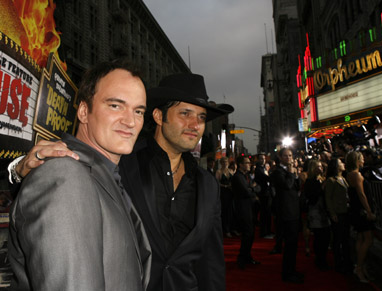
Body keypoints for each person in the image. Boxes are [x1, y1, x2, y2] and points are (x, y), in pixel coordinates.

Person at [12, 73, 233, 291]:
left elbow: (210, 260)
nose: (195, 124)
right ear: (158, 116)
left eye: (202, 118)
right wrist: (20, 168)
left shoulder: (208, 184)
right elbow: (64, 176)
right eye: (185, 113)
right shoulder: (120, 158)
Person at [7, 60, 152, 290]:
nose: (131, 121)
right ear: (84, 111)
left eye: (138, 111)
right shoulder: (64, 174)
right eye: (116, 105)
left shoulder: (107, 175)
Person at [270, 148, 304, 283]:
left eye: (290, 155)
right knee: (289, 244)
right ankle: (287, 273)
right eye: (285, 156)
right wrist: (291, 173)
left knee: (294, 244)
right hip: (286, 212)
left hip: (294, 210)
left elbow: (296, 186)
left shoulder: (290, 171)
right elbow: (287, 186)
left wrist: (295, 175)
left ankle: (292, 270)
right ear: (280, 157)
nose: (288, 158)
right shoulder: (277, 172)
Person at [345, 151, 376, 283]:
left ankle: (359, 266)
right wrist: (369, 211)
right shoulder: (356, 174)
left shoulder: (349, 174)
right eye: (361, 158)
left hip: (356, 210)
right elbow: (361, 194)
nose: (363, 159)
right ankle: (359, 267)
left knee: (361, 238)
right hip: (361, 211)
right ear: (357, 160)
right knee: (368, 239)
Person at [231, 156, 260, 270]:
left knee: (251, 233)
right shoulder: (237, 177)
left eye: (249, 163)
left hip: (250, 207)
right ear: (240, 164)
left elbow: (258, 187)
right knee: (247, 233)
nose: (249, 164)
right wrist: (252, 189)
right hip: (242, 208)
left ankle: (247, 256)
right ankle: (242, 258)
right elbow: (246, 192)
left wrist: (252, 189)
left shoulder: (246, 176)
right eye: (246, 163)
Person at [325, 158, 352, 274]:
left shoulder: (344, 179)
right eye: (341, 163)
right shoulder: (331, 181)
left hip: (346, 211)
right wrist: (332, 213)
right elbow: (328, 198)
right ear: (336, 167)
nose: (343, 164)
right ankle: (338, 263)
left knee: (346, 239)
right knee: (338, 239)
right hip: (338, 212)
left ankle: (347, 262)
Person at [304, 160, 331, 271]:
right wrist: (321, 188)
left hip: (323, 211)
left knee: (325, 236)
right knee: (319, 237)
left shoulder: (321, 179)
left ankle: (322, 258)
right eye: (318, 167)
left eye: (321, 166)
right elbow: (312, 197)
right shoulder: (310, 181)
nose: (320, 169)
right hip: (315, 211)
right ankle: (320, 260)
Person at [254, 153, 274, 239]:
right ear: (258, 160)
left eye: (264, 158)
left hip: (267, 192)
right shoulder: (258, 169)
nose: (263, 160)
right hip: (263, 193)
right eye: (261, 158)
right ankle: (264, 232)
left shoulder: (264, 168)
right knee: (264, 213)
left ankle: (268, 231)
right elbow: (265, 178)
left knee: (268, 213)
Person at [216, 157, 234, 238]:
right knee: (224, 211)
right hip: (223, 193)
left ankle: (230, 229)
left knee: (231, 211)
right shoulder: (218, 172)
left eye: (226, 162)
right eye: (223, 162)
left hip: (231, 193)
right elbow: (217, 183)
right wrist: (226, 186)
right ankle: (225, 230)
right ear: (221, 163)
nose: (225, 163)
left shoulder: (231, 171)